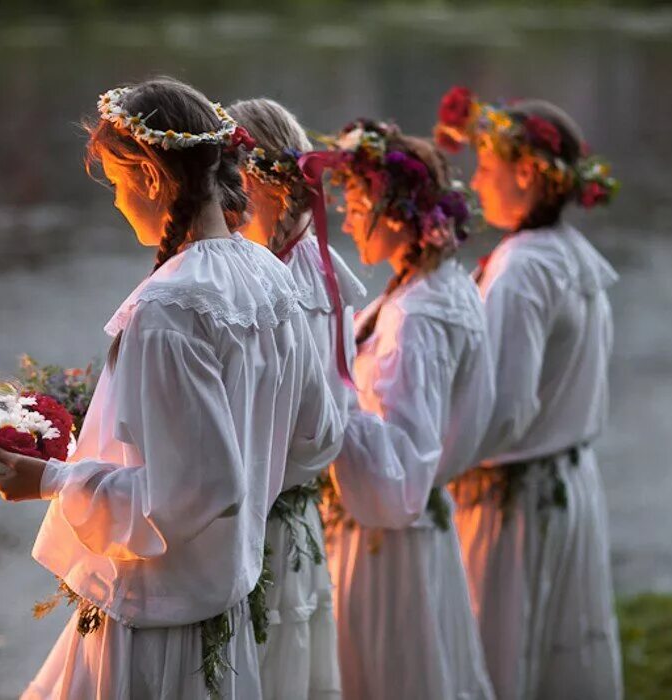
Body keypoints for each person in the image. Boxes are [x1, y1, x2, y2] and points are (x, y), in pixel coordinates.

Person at [0, 78, 344, 699]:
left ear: (150, 176)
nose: (118, 204)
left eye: (118, 184)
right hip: (222, 617)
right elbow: (319, 435)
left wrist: (47, 479)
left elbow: (194, 489)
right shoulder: (268, 274)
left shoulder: (169, 306)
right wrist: (246, 497)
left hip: (156, 629)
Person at [436, 87, 623, 700]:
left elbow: (505, 408)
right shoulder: (576, 256)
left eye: (489, 167)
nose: (478, 180)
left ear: (526, 174)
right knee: (553, 658)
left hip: (511, 504)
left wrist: (431, 468)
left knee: (498, 657)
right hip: (569, 485)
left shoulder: (521, 269)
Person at [322, 119, 496, 699]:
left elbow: (399, 466)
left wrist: (324, 409)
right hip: (419, 529)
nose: (344, 221)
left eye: (353, 204)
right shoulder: (440, 286)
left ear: (394, 212)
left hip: (388, 544)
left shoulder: (415, 318)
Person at [227, 97, 367, 700]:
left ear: (251, 176)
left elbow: (304, 415)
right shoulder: (323, 264)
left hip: (260, 516)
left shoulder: (268, 275)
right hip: (297, 509)